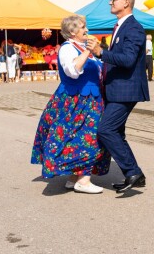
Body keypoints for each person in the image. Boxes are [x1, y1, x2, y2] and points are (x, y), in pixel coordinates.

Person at [30, 15, 110, 194]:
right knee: (88, 137)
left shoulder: (80, 47)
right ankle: (83, 181)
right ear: (73, 31)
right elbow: (72, 71)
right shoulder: (67, 48)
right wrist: (88, 51)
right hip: (75, 101)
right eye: (82, 27)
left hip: (91, 99)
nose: (86, 30)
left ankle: (74, 176)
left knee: (79, 137)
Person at [87, 0, 150, 193]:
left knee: (106, 129)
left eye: (114, 0)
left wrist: (101, 53)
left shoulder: (134, 28)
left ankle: (133, 172)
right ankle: (133, 174)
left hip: (126, 90)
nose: (110, 3)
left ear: (126, 3)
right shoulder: (120, 26)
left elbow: (128, 59)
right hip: (116, 89)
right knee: (117, 132)